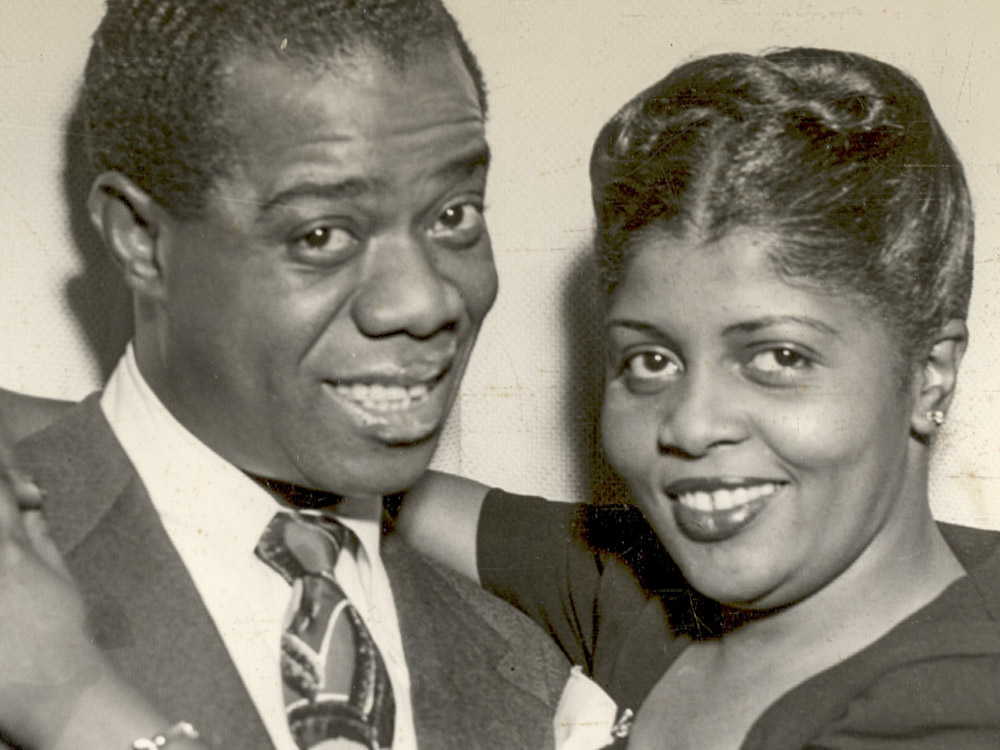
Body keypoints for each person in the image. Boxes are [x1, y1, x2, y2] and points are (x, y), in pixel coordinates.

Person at [3, 1, 568, 748]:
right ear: (141, 239)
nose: (426, 300)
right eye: (322, 233)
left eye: (454, 214)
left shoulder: (533, 675)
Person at [400, 48, 1000, 749]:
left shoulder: (957, 702)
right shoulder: (647, 589)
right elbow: (389, 495)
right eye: (651, 360)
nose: (690, 423)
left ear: (930, 374)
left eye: (779, 357)